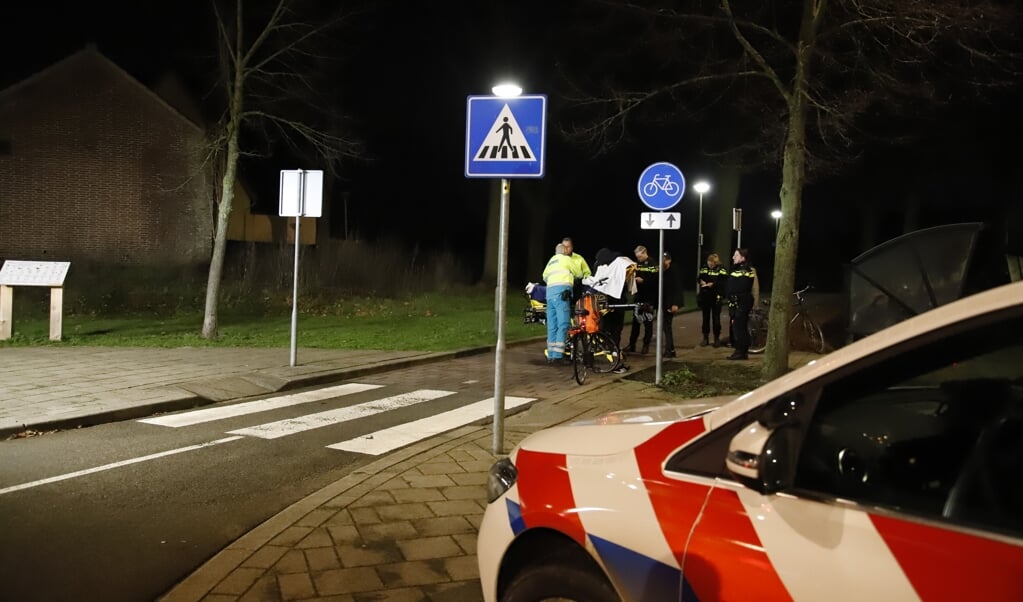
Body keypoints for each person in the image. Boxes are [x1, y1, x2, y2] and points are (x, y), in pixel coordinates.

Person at [586, 248, 637, 368]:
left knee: (603, 327)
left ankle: (603, 349)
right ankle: (614, 351)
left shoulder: (599, 265)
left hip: (604, 300)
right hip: (619, 300)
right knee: (616, 328)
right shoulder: (620, 262)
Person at [542, 243, 583, 364]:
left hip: (549, 295)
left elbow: (544, 277)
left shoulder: (551, 261)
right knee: (564, 324)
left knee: (552, 325)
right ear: (564, 251)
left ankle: (551, 355)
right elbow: (578, 273)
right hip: (562, 294)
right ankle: (558, 356)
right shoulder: (566, 259)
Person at [725, 248, 756, 360]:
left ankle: (741, 351)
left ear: (743, 257)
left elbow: (739, 288)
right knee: (738, 326)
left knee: (739, 327)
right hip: (739, 302)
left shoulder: (743, 270)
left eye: (736, 255)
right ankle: (741, 351)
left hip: (741, 302)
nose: (733, 257)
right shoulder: (739, 269)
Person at [626, 245, 657, 354]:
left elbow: (655, 280)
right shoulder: (637, 264)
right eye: (637, 257)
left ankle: (646, 345)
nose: (638, 259)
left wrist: (644, 281)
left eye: (639, 256)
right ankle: (632, 345)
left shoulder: (652, 264)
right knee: (636, 322)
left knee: (648, 322)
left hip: (649, 298)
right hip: (638, 296)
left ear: (645, 253)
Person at [697, 252, 728, 347]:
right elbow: (699, 278)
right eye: (708, 263)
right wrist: (701, 281)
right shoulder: (704, 267)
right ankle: (705, 338)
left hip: (716, 296)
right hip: (705, 296)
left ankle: (716, 339)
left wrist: (713, 284)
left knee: (716, 318)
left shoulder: (721, 269)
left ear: (715, 263)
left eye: (711, 264)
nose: (709, 266)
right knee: (705, 318)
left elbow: (723, 281)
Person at [660, 252, 684, 358]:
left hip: (670, 303)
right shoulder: (661, 271)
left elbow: (677, 289)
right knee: (665, 327)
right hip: (663, 303)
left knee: (667, 326)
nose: (662, 261)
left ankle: (669, 350)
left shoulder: (673, 272)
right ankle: (671, 349)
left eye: (664, 259)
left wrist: (675, 304)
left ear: (669, 260)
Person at [561, 237, 591, 303]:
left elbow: (587, 272)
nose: (565, 249)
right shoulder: (558, 258)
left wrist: (585, 279)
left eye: (568, 247)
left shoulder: (579, 258)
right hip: (562, 283)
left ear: (572, 247)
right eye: (564, 247)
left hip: (576, 284)